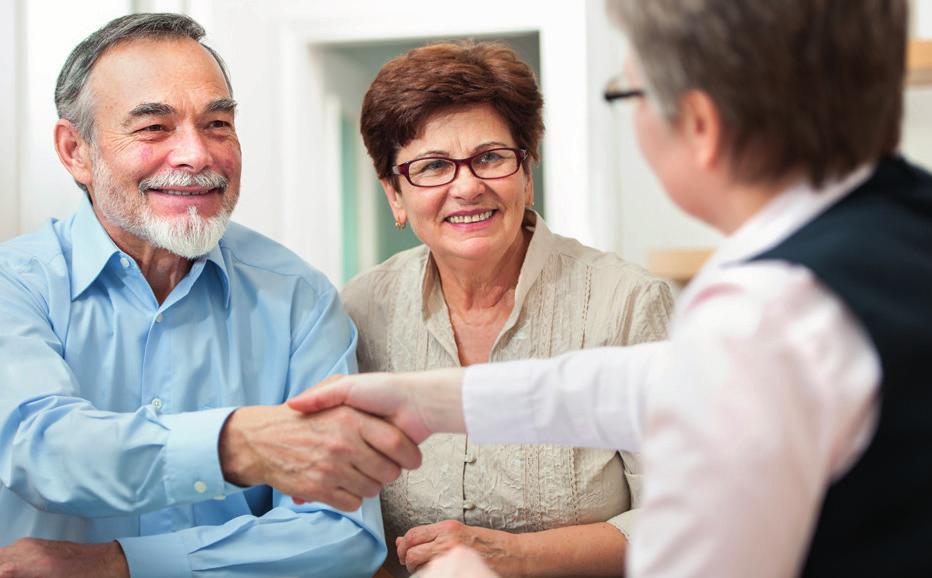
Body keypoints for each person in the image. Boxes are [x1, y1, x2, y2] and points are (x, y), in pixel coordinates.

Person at [291, 0, 932, 577]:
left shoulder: (759, 313)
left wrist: (476, 572)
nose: (465, 185)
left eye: (628, 93)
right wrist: (435, 399)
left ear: (701, 125)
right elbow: (649, 383)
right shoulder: (901, 221)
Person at [0, 13, 421, 578]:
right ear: (75, 149)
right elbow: (41, 449)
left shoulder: (299, 296)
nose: (197, 155)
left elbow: (340, 530)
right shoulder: (14, 285)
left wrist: (123, 564)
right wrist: (234, 444)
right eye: (154, 127)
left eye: (218, 123)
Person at [345, 41, 674, 577]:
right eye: (432, 167)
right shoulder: (358, 311)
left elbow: (682, 516)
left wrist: (513, 557)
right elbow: (343, 519)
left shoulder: (628, 303)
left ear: (526, 171)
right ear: (395, 195)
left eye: (491, 157)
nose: (468, 186)